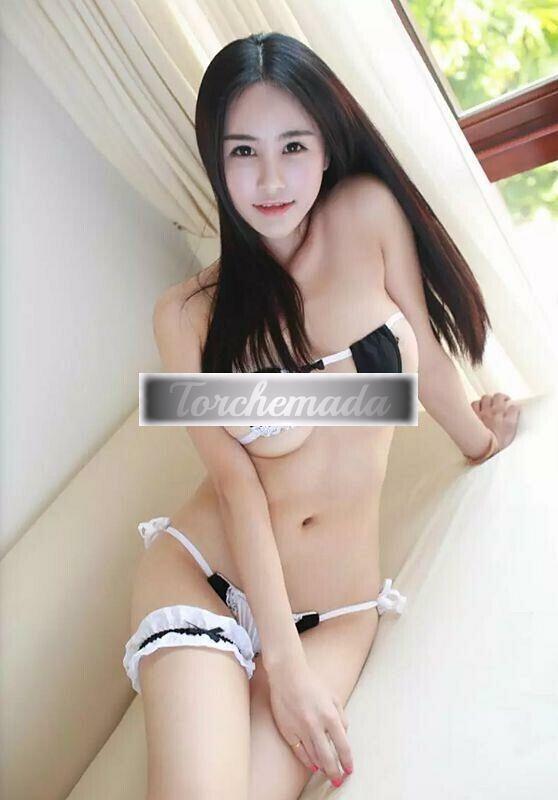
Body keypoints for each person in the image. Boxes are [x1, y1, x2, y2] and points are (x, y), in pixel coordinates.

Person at [123, 32, 520, 799]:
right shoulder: (188, 315)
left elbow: (426, 358)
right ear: (216, 162)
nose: (271, 178)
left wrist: (481, 440)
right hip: (205, 581)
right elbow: (237, 488)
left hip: (336, 611)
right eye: (243, 152)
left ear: (328, 146)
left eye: (293, 146)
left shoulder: (368, 216)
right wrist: (281, 664)